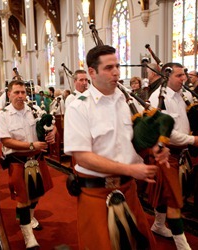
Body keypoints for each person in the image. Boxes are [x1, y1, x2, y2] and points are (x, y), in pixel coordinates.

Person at [64, 45, 170, 249]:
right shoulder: (79, 107)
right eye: (109, 67)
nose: (116, 72)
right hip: (96, 194)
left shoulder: (127, 101)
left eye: (118, 66)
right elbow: (84, 158)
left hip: (128, 189)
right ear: (92, 72)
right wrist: (130, 169)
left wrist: (155, 147)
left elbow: (137, 139)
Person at [148, 62, 198, 250]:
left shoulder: (183, 95)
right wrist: (192, 140)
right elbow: (165, 133)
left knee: (168, 195)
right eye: (179, 75)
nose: (184, 78)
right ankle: (182, 244)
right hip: (166, 155)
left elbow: (192, 120)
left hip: (181, 154)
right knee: (174, 199)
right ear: (166, 77)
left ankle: (159, 225)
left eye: (184, 74)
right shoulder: (158, 98)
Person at [0, 80, 56, 249]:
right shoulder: (3, 115)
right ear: (9, 94)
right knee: (23, 199)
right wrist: (31, 146)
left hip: (37, 160)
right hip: (18, 161)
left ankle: (29, 217)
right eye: (16, 92)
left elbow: (51, 126)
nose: (21, 96)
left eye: (23, 92)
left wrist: (52, 134)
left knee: (35, 195)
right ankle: (27, 234)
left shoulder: (35, 110)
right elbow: (6, 141)